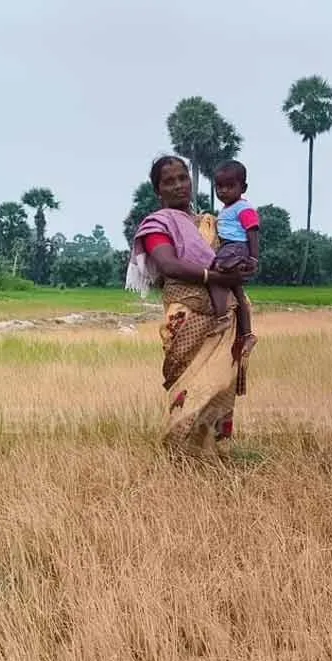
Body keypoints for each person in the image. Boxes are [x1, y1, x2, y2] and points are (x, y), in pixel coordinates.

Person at [125, 155, 256, 457]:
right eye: (168, 181)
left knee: (220, 382)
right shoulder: (158, 224)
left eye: (183, 178)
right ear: (158, 191)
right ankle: (180, 454)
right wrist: (214, 275)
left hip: (224, 313)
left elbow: (238, 255)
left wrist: (243, 267)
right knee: (186, 382)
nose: (179, 186)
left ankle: (209, 453)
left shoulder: (212, 222)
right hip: (186, 313)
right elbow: (169, 264)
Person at [209, 160, 260, 354]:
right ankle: (247, 335)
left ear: (243, 187)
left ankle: (222, 317)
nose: (223, 191)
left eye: (230, 186)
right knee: (238, 294)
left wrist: (254, 258)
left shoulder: (243, 208)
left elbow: (253, 231)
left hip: (235, 249)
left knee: (212, 273)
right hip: (228, 248)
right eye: (219, 186)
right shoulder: (226, 209)